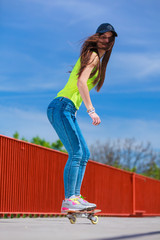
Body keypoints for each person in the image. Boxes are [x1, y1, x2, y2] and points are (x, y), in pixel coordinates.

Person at [47, 23, 118, 212]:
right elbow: (81, 82)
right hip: (61, 105)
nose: (107, 40)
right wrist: (91, 110)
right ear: (97, 37)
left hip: (67, 109)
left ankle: (76, 197)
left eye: (111, 38)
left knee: (84, 154)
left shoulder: (97, 60)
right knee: (76, 153)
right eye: (104, 36)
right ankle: (69, 199)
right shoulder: (93, 56)